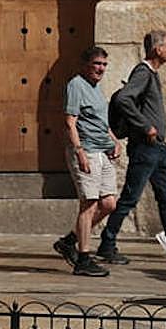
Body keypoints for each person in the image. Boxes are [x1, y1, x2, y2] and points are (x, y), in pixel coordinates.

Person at [97, 30, 166, 264]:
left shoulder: (151, 74)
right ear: (157, 49)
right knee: (129, 198)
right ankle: (107, 242)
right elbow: (124, 98)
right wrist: (146, 126)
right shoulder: (143, 72)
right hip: (146, 147)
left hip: (158, 149)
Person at [54, 46, 119, 278]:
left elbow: (101, 122)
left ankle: (69, 240)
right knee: (89, 203)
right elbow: (70, 121)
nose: (101, 68)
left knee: (109, 203)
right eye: (97, 64)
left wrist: (114, 140)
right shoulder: (76, 85)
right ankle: (83, 258)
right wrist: (79, 151)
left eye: (104, 64)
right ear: (86, 65)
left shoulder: (97, 89)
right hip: (87, 150)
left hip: (102, 151)